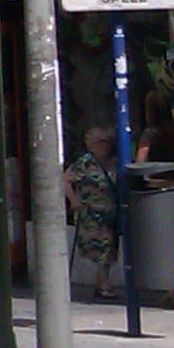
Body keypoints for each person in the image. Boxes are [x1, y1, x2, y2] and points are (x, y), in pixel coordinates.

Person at [64, 126, 123, 301]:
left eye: (108, 142)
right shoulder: (85, 163)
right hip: (91, 214)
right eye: (100, 142)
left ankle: (102, 282)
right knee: (102, 248)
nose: (105, 146)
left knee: (110, 248)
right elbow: (65, 180)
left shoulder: (115, 162)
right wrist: (74, 201)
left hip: (110, 213)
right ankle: (103, 284)